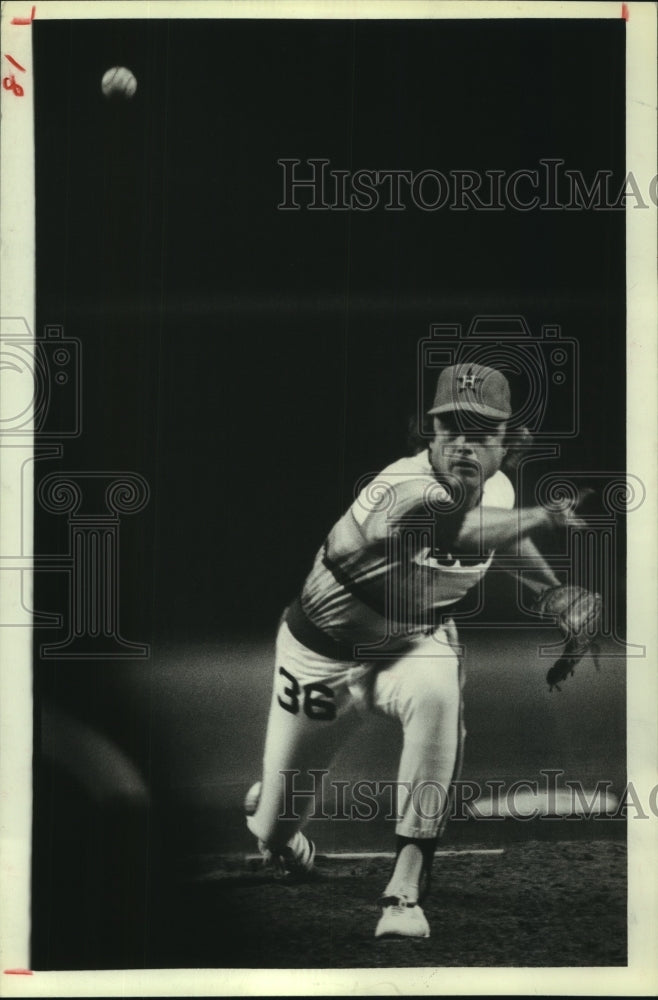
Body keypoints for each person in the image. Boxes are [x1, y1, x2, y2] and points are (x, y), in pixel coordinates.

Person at [245, 362, 575, 939]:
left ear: (511, 442)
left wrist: (553, 593)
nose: (464, 443)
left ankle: (404, 890)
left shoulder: (498, 488)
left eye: (483, 431)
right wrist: (545, 514)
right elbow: (455, 532)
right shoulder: (396, 488)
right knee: (273, 830)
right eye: (451, 427)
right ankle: (277, 824)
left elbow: (497, 536)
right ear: (429, 430)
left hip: (412, 646)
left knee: (438, 692)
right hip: (319, 659)